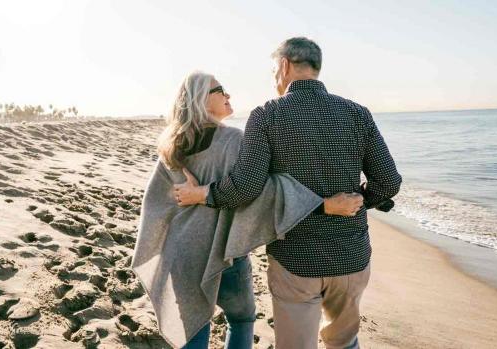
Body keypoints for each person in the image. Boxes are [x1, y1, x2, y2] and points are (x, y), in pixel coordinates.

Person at [175, 37, 402, 349]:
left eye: (273, 70)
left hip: (296, 258)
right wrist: (362, 200)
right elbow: (389, 182)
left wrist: (205, 194)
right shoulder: (357, 113)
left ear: (283, 66)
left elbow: (246, 187)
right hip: (352, 255)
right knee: (345, 342)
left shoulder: (267, 114)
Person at [132, 71, 364, 349]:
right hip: (225, 252)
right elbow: (262, 191)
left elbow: (156, 201)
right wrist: (323, 204)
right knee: (241, 319)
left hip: (182, 253)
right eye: (220, 90)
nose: (228, 94)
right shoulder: (233, 140)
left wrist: (174, 223)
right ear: (200, 100)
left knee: (193, 326)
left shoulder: (171, 144)